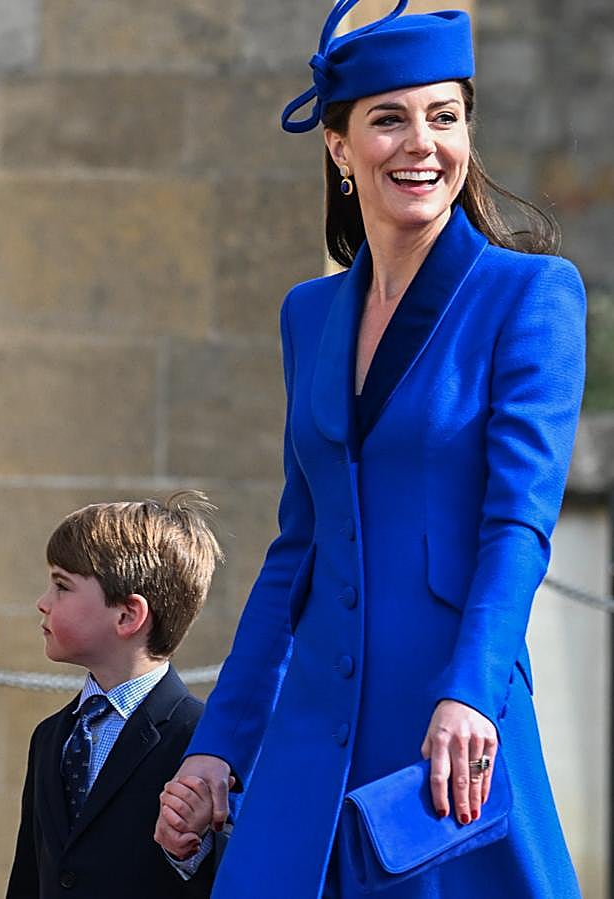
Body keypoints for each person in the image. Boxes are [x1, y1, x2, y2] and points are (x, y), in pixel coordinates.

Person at [155, 2, 586, 897]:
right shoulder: (307, 315)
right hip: (308, 741)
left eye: (444, 116)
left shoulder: (532, 295)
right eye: (389, 118)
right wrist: (218, 747)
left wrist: (470, 693)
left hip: (447, 729)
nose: (420, 144)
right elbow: (296, 554)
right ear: (339, 148)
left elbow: (519, 527)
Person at [6, 492, 228, 899]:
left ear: (127, 616)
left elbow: (234, 875)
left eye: (61, 586)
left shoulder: (204, 741)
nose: (42, 603)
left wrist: (191, 851)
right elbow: (29, 875)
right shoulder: (50, 736)